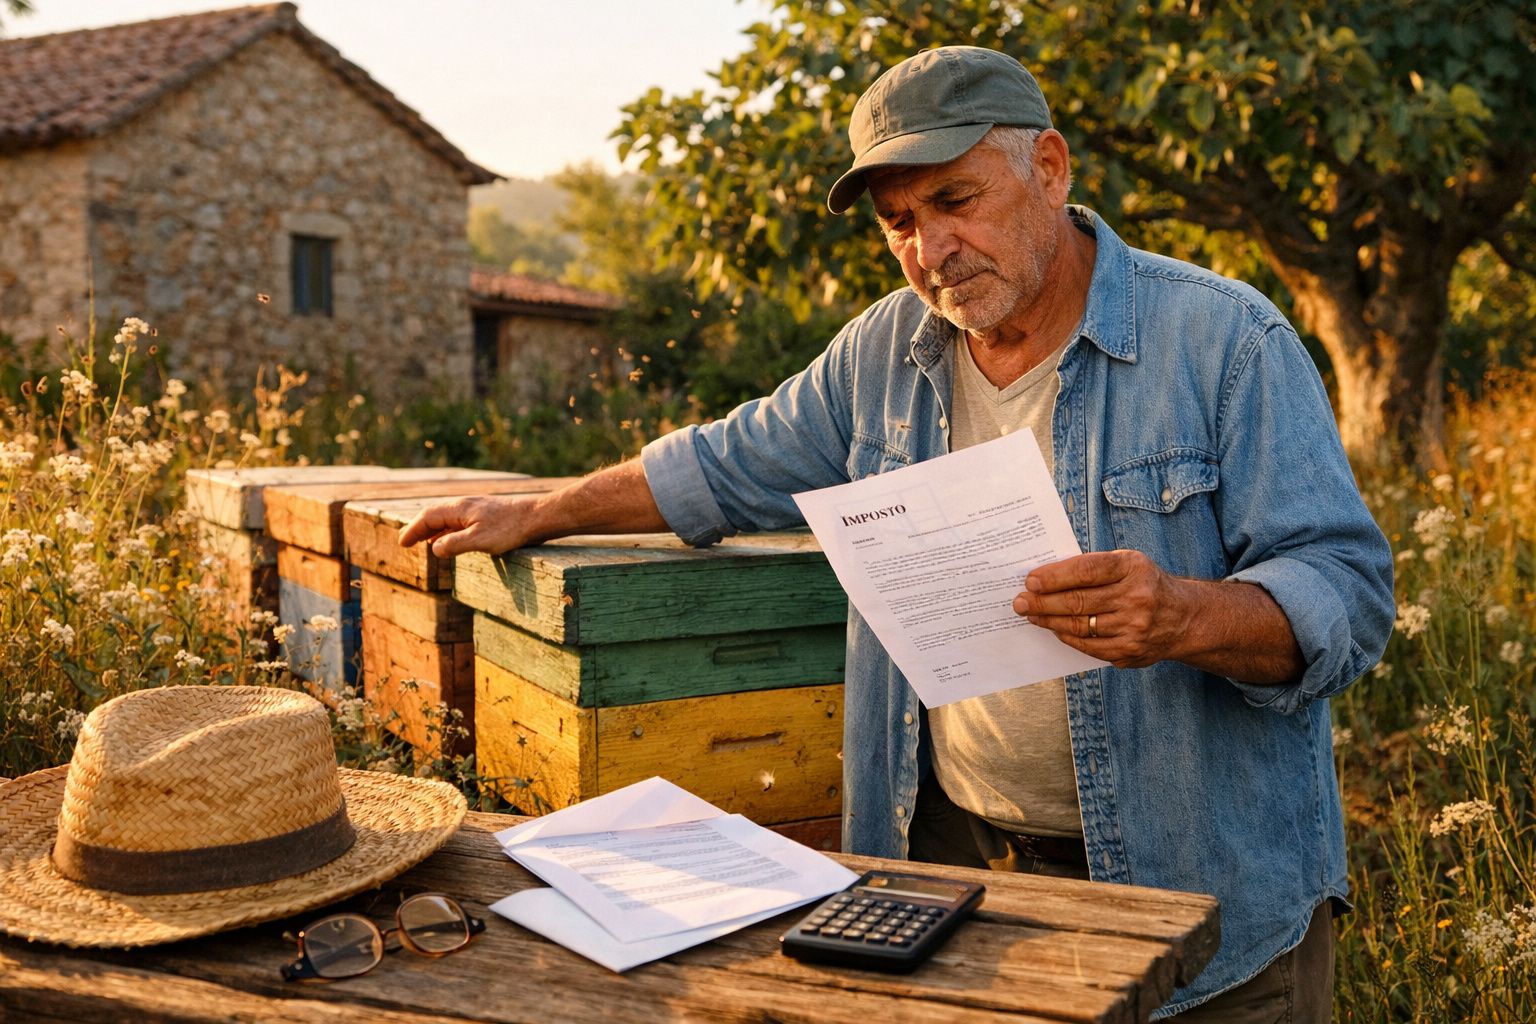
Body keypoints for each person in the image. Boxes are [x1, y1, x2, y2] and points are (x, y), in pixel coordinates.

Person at [400, 47, 1393, 1020]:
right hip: (966, 889)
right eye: (898, 223)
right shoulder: (882, 352)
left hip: (1205, 909)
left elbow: (1345, 593)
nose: (929, 250)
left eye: (955, 203)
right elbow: (725, 462)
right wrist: (539, 511)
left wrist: (1179, 613)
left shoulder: (1225, 342)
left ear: (1048, 169)